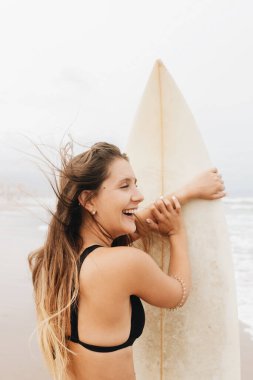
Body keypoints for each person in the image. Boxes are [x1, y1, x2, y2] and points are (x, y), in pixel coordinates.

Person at [28, 141, 226, 380]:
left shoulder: (57, 259)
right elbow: (178, 293)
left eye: (136, 184)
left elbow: (140, 222)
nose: (139, 195)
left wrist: (187, 192)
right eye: (124, 186)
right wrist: (177, 233)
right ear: (88, 200)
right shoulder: (123, 263)